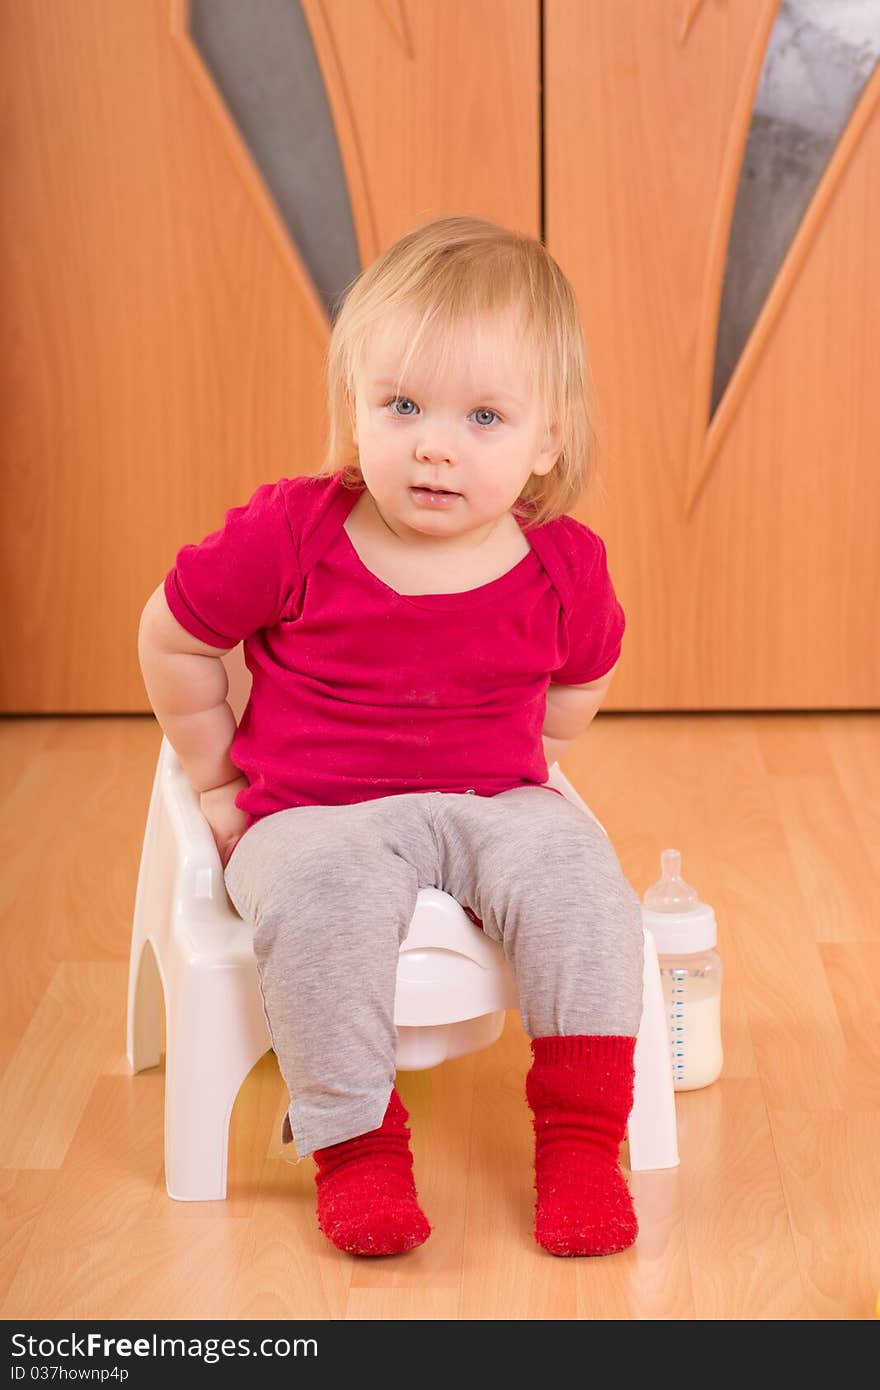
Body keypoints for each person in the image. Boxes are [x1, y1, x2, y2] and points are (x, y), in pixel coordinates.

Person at [138, 214, 644, 1260]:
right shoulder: (295, 530)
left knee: (583, 878)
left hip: (488, 799)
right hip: (313, 812)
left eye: (485, 416)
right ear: (354, 407)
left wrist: (527, 768)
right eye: (402, 404)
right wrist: (217, 778)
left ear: (547, 438)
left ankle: (585, 1142)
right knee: (320, 896)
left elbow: (580, 682)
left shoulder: (561, 566)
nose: (434, 443)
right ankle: (357, 1146)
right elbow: (174, 636)